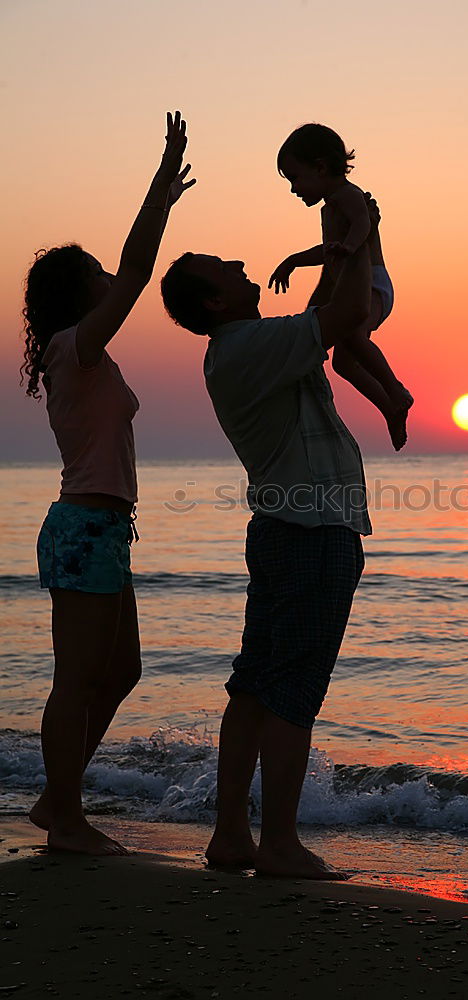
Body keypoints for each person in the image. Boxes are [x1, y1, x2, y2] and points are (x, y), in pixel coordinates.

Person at [160, 211, 378, 879]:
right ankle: (277, 843)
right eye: (222, 265)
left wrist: (335, 259)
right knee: (292, 689)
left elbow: (321, 319)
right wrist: (364, 235)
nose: (238, 264)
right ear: (214, 300)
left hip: (289, 531)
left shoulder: (249, 346)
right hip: (310, 533)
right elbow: (343, 319)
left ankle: (232, 836)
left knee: (256, 685)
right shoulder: (245, 347)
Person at [20, 111, 196, 856]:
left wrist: (162, 189)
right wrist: (160, 184)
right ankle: (67, 821)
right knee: (77, 680)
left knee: (121, 669)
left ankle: (53, 800)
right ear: (76, 292)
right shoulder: (77, 345)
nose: (106, 279)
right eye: (93, 273)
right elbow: (137, 272)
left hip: (101, 528)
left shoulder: (76, 352)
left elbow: (125, 273)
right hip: (85, 526)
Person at [269, 123, 413, 450]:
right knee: (343, 364)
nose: (294, 188)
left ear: (320, 167)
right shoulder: (329, 206)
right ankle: (391, 409)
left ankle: (396, 390)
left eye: (295, 178)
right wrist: (294, 260)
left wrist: (349, 247)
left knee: (353, 336)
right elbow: (326, 249)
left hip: (373, 284)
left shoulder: (349, 195)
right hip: (352, 288)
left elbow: (363, 223)